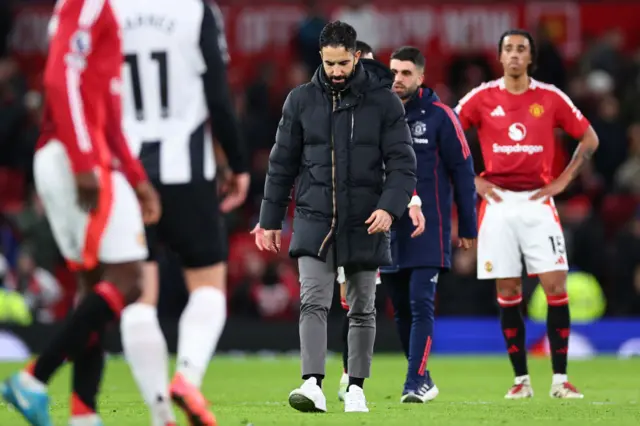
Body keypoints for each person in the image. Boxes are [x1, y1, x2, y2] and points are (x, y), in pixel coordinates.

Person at [1, 1, 161, 425]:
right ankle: (33, 379)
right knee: (129, 280)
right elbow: (60, 76)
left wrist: (137, 176)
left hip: (80, 154)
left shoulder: (102, 13)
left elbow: (106, 109)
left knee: (96, 291)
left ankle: (83, 413)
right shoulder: (90, 3)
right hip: (77, 157)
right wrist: (84, 157)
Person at [259, 21, 416, 413]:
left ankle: (356, 387)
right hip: (315, 218)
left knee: (362, 307)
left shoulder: (384, 103)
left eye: (343, 62)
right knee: (312, 300)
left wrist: (389, 207)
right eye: (329, 63)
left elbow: (402, 166)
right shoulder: (300, 101)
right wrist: (270, 219)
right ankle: (311, 384)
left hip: (366, 220)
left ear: (356, 56)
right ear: (321, 57)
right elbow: (281, 165)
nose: (336, 71)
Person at [113, 0, 249, 425]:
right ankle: (187, 378)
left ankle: (159, 414)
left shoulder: (102, 9)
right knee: (208, 283)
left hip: (125, 170)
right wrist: (238, 164)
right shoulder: (195, 10)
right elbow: (218, 97)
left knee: (138, 296)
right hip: (186, 168)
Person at [454, 29, 599, 399]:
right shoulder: (482, 97)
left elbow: (589, 138)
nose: (515, 55)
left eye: (522, 49)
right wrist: (474, 182)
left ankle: (560, 380)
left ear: (530, 58)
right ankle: (521, 381)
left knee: (555, 286)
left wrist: (563, 181)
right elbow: (447, 135)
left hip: (538, 202)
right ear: (500, 57)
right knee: (509, 289)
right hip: (498, 203)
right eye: (509, 49)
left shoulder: (549, 97)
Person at [381, 46, 477, 403]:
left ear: (420, 77)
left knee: (421, 304)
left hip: (430, 229)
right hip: (388, 227)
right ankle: (423, 377)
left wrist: (468, 225)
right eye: (393, 71)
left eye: (406, 72)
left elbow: (464, 171)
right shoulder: (379, 115)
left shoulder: (440, 116)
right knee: (401, 310)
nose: (398, 79)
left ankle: (414, 382)